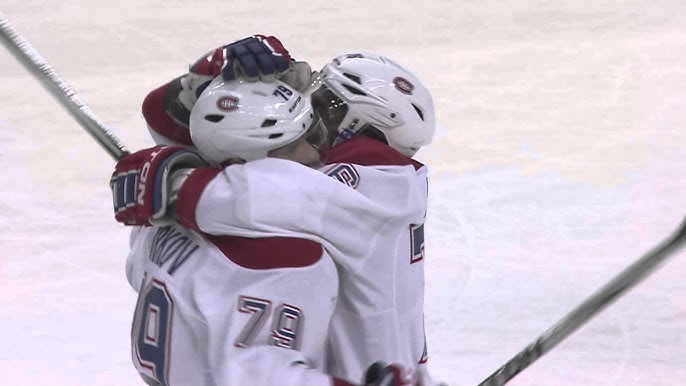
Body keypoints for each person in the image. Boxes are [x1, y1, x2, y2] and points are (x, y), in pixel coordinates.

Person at [113, 36, 440, 385]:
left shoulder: (375, 186)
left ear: (359, 128)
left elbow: (262, 185)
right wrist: (206, 86)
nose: (311, 108)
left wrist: (173, 179)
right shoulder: (285, 248)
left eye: (326, 104)